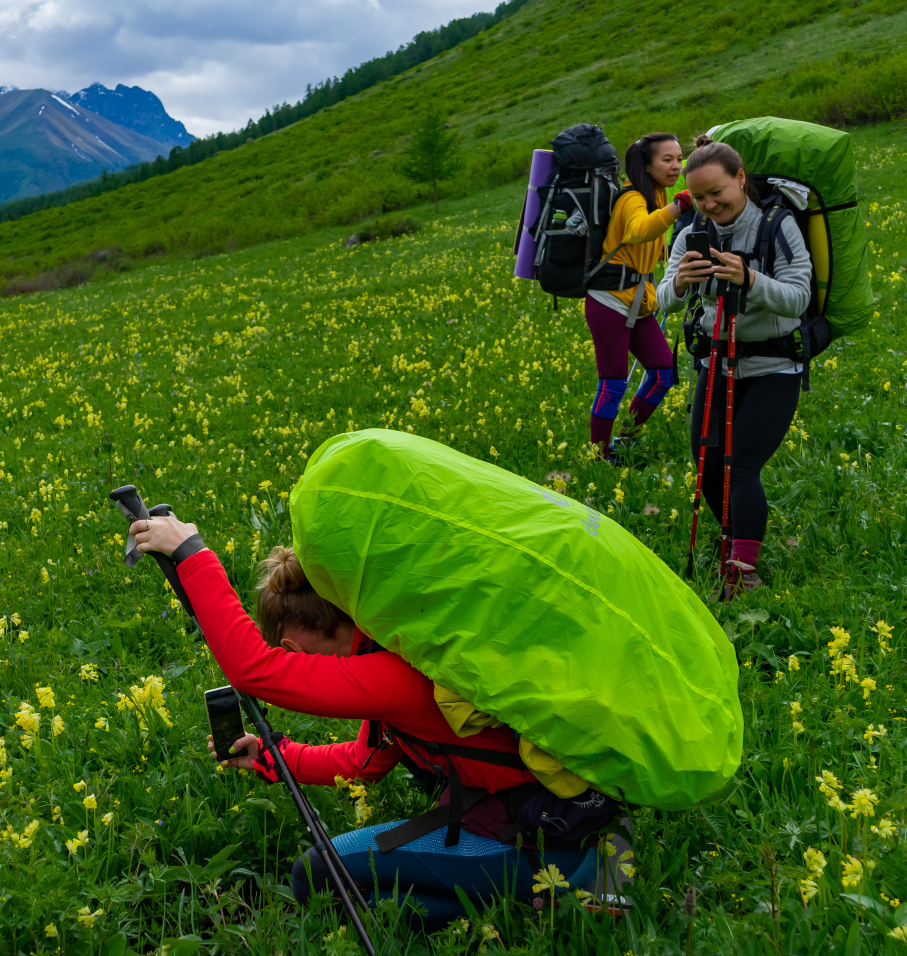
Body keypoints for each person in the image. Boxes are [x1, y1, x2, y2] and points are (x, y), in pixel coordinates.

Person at [127, 516, 633, 929]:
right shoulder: (387, 648)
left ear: (299, 643)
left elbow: (253, 670)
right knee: (370, 905)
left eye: (291, 650)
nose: (293, 659)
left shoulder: (394, 674)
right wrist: (273, 758)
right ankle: (537, 902)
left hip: (538, 836)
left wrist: (192, 552)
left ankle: (577, 883)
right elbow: (367, 761)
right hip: (513, 816)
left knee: (316, 876)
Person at [657, 135, 812, 597]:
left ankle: (744, 573)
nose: (709, 205)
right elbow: (662, 299)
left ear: (740, 179)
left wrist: (749, 278)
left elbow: (798, 297)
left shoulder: (777, 225)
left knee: (739, 465)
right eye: (700, 198)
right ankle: (736, 537)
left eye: (717, 193)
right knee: (706, 465)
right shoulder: (689, 233)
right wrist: (681, 283)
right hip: (716, 361)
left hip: (773, 364)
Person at [585, 132, 693, 460]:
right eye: (667, 159)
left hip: (638, 300)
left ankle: (627, 440)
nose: (676, 166)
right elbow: (637, 230)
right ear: (646, 165)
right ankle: (599, 456)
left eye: (679, 159)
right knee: (613, 383)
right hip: (609, 301)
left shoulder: (658, 195)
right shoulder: (633, 198)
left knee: (663, 374)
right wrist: (678, 206)